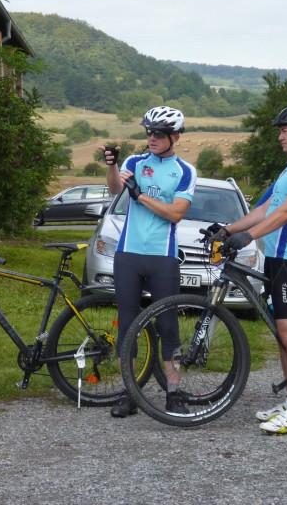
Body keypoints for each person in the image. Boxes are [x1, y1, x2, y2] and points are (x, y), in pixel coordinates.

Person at [209, 104, 287, 435]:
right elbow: (265, 209)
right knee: (282, 334)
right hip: (276, 257)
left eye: (285, 131)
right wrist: (228, 230)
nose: (280, 137)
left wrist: (248, 237)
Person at [100, 106, 197, 418]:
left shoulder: (185, 171)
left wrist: (140, 195)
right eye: (149, 132)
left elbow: (176, 213)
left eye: (159, 133)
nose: (152, 138)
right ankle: (129, 393)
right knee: (128, 325)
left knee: (168, 326)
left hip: (162, 256)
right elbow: (115, 189)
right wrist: (113, 166)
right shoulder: (135, 162)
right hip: (128, 254)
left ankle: (174, 394)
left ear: (175, 137)